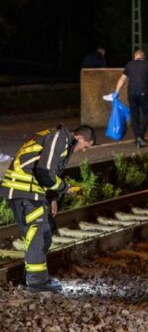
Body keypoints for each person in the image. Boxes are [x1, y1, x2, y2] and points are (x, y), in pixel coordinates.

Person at [0, 124, 96, 292]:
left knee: (44, 232)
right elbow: (44, 171)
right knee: (38, 233)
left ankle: (31, 276)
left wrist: (52, 198)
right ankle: (37, 282)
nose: (83, 151)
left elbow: (49, 172)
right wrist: (65, 188)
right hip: (24, 190)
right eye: (85, 147)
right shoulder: (60, 137)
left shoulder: (60, 140)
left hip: (30, 191)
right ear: (79, 138)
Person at [114, 49, 148, 148]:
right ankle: (141, 135)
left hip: (131, 93)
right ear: (143, 57)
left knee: (134, 115)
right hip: (143, 92)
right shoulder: (147, 64)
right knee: (146, 114)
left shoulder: (129, 64)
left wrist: (116, 92)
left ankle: (137, 138)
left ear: (135, 56)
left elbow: (122, 79)